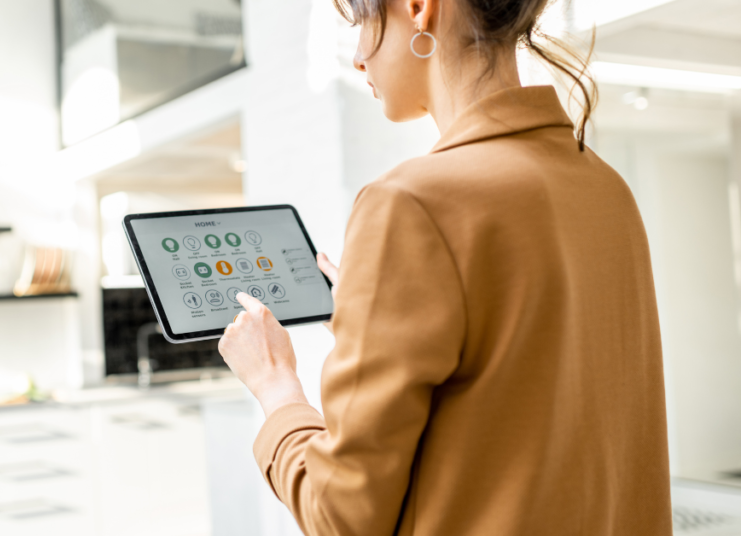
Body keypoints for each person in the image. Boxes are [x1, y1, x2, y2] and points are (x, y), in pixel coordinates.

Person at [217, 0, 673, 534]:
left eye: (362, 22)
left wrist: (276, 387)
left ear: (418, 8)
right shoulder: (606, 187)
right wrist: (377, 326)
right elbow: (525, 398)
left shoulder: (410, 203)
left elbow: (341, 514)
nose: (360, 56)